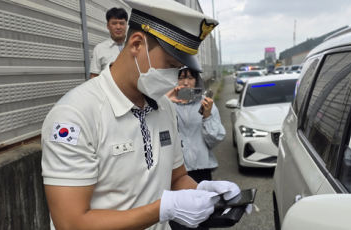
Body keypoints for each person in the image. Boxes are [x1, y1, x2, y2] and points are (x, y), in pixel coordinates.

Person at [41, 0, 243, 229]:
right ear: (137, 44)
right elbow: (70, 223)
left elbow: (176, 178)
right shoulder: (75, 115)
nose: (174, 77)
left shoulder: (164, 107)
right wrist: (162, 209)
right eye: (169, 64)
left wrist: (204, 192)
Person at [167, 67, 226, 230]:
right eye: (181, 77)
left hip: (201, 170)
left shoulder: (205, 103)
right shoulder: (165, 104)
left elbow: (215, 139)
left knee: (202, 218)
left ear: (197, 81)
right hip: (174, 172)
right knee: (178, 219)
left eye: (191, 78)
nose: (186, 82)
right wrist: (166, 100)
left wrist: (207, 116)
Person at [90, 7, 128, 78]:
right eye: (114, 23)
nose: (118, 27)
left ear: (126, 25)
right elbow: (94, 77)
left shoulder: (136, 46)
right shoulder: (99, 49)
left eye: (122, 23)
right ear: (108, 26)